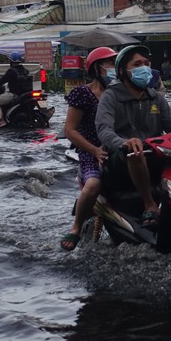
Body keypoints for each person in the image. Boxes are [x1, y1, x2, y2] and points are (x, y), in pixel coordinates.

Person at [95, 45, 171, 227]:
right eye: (137, 64)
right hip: (120, 159)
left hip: (154, 153)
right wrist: (123, 142)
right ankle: (150, 205)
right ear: (123, 70)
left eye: (147, 63)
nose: (144, 68)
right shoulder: (111, 96)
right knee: (135, 153)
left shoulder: (155, 98)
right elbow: (104, 130)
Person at [60, 47, 117, 251]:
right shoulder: (82, 94)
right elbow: (70, 130)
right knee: (92, 184)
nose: (114, 67)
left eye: (115, 62)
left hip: (119, 149)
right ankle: (75, 227)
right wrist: (94, 150)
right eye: (110, 63)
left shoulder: (120, 92)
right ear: (96, 68)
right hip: (91, 153)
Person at [0, 51, 29, 128]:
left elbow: (2, 81)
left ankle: (1, 120)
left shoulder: (11, 71)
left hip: (13, 95)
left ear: (11, 61)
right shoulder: (24, 70)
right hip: (24, 95)